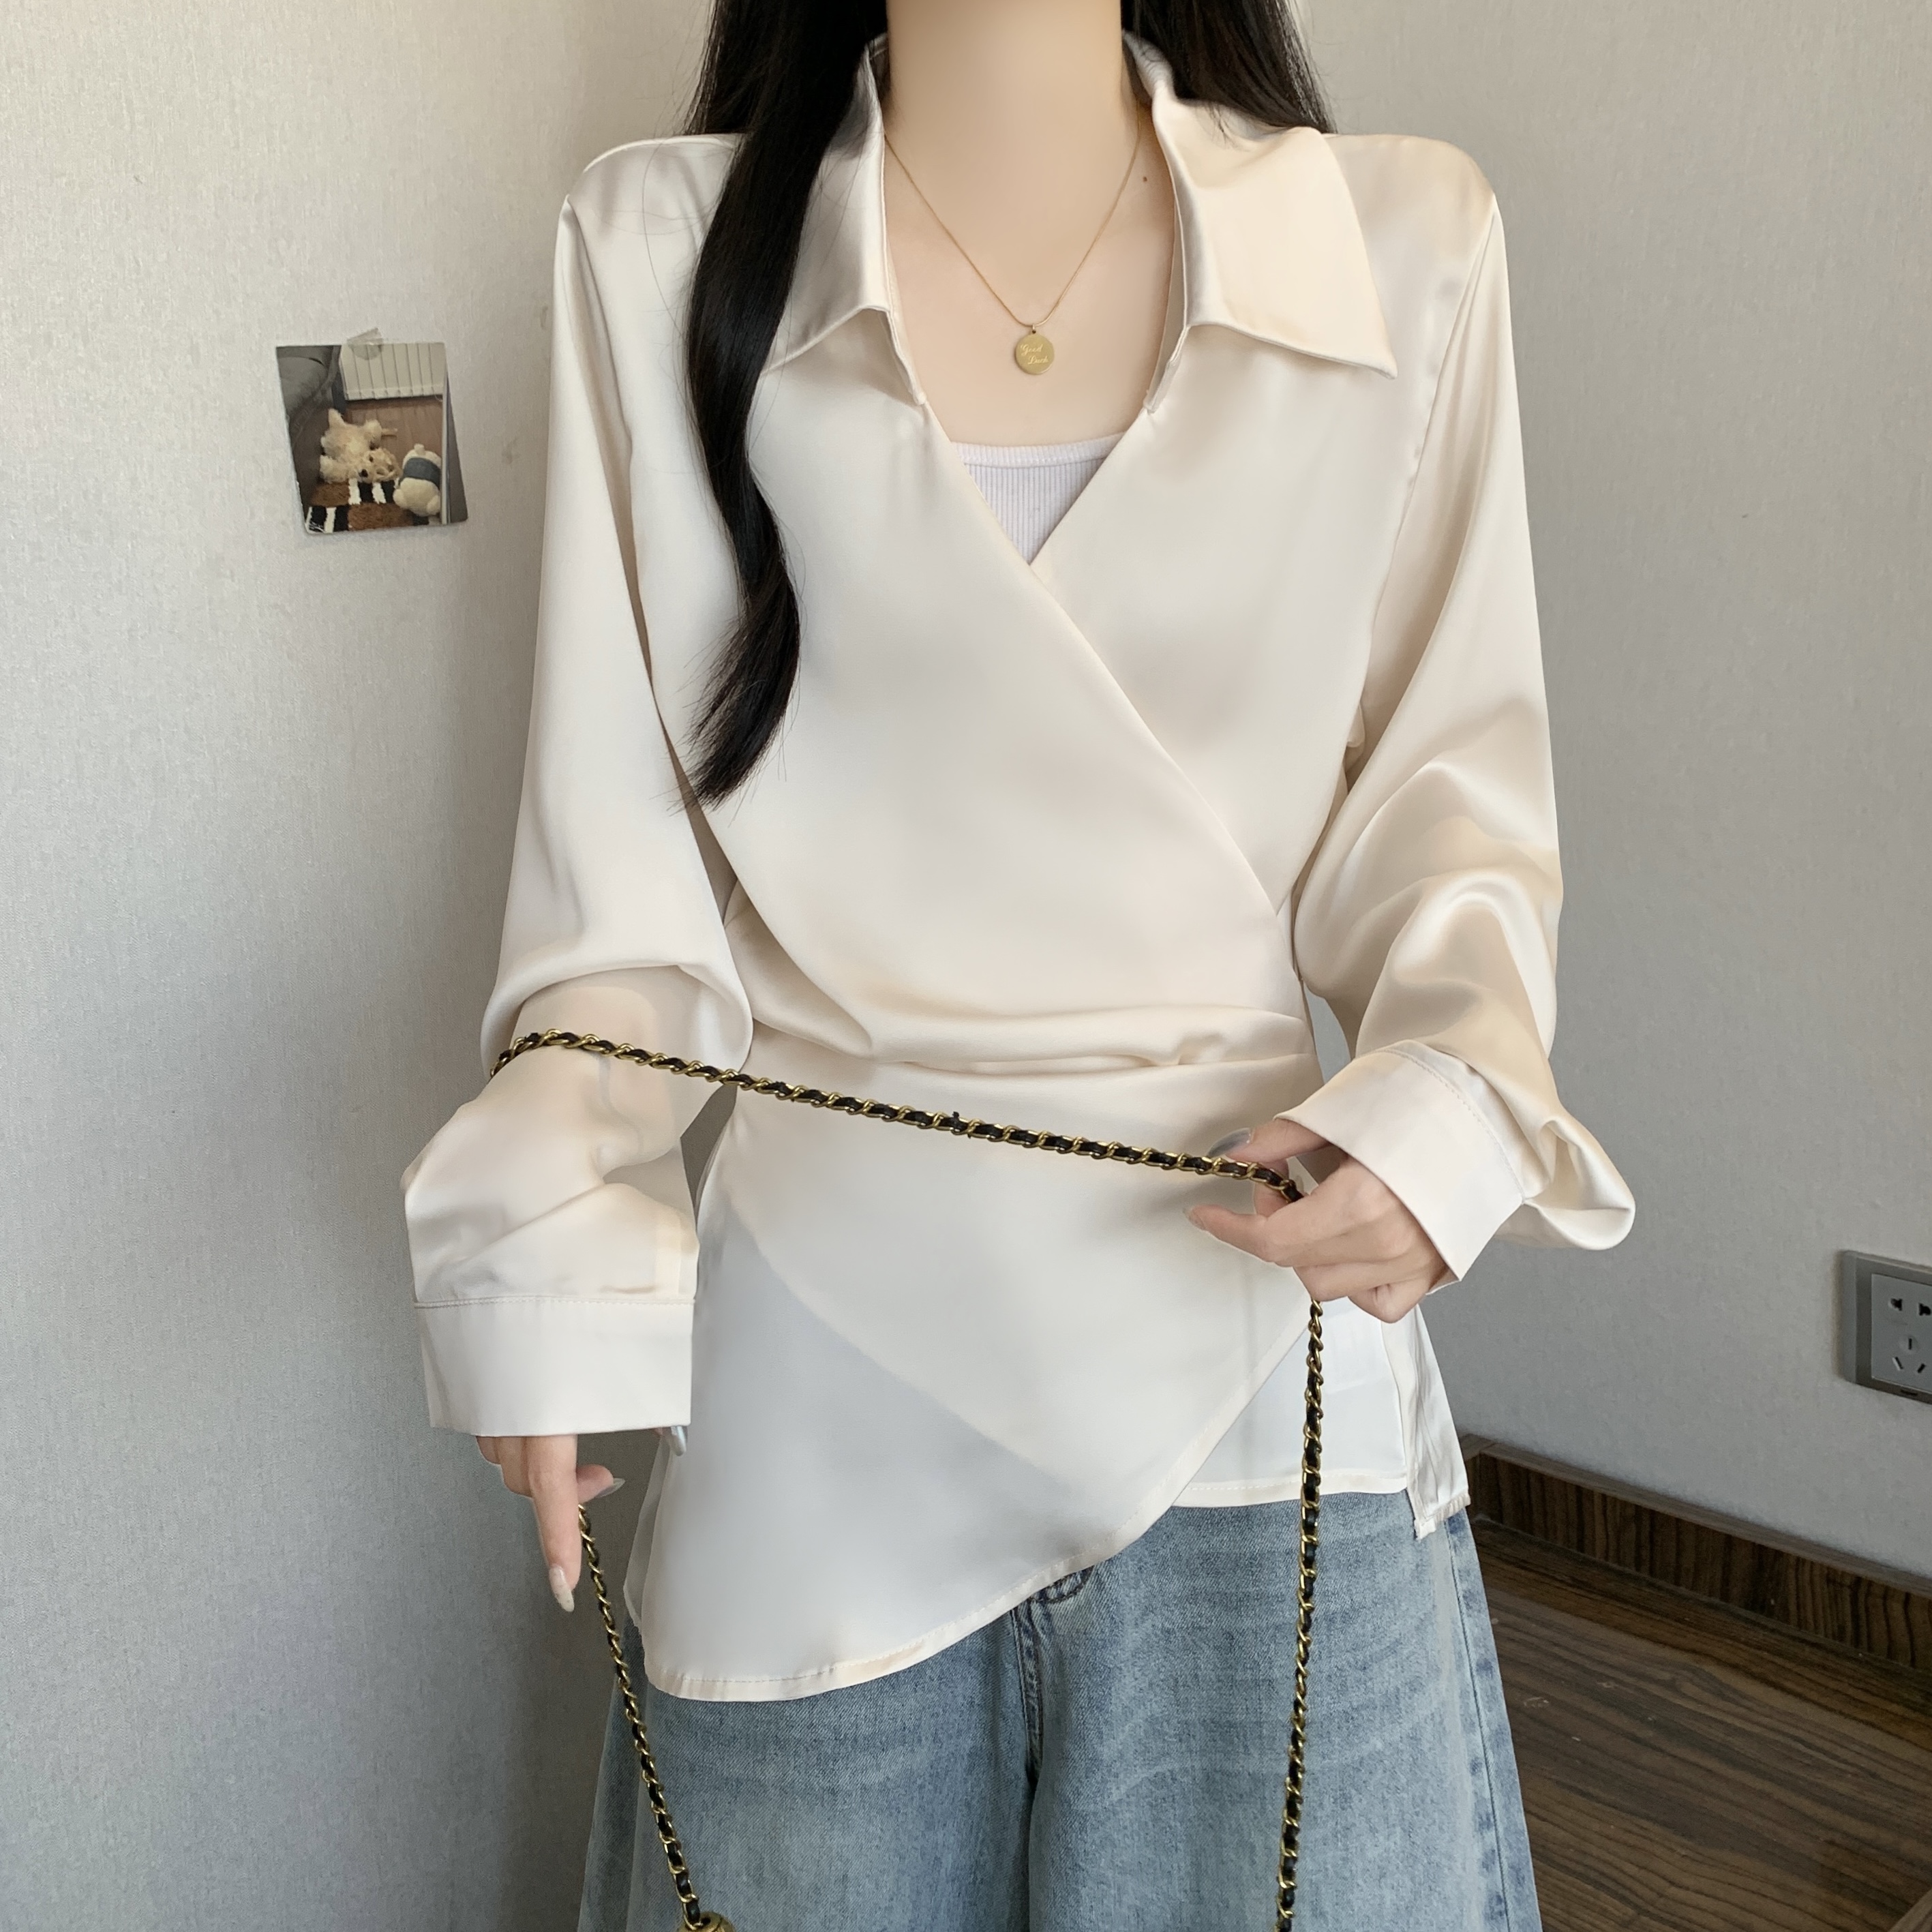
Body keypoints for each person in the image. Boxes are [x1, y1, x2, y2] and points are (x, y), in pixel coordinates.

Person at [401, 0, 1635, 1924]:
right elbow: (617, 924)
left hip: (1260, 1355)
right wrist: (539, 1239)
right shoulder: (658, 249)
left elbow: (1448, 831)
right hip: (825, 1393)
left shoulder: (1397, 245)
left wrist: (1449, 1112)